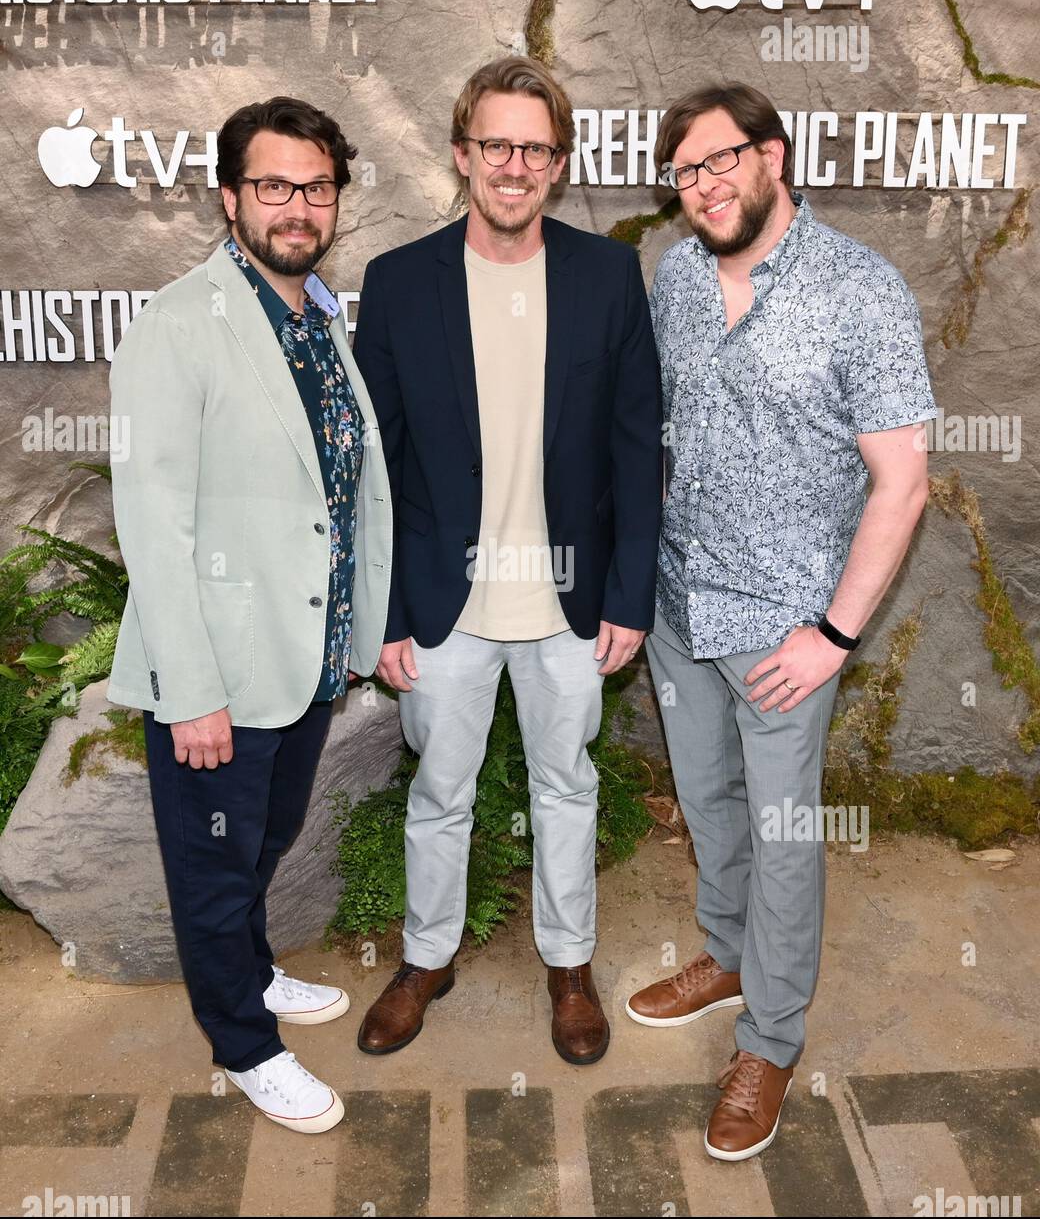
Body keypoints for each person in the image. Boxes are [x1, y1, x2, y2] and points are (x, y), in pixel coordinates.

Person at [627, 83, 936, 1159]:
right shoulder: (672, 277)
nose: (701, 187)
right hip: (677, 604)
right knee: (707, 798)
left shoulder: (859, 289)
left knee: (783, 829)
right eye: (683, 174)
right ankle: (723, 951)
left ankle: (769, 1034)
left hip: (786, 628)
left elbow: (900, 483)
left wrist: (833, 636)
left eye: (718, 162)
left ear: (771, 157)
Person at [352, 56, 662, 1064]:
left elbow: (634, 444)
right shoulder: (400, 283)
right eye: (496, 144)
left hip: (571, 606)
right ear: (461, 153)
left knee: (564, 787)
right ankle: (426, 956)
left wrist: (629, 597)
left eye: (533, 147)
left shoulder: (607, 275)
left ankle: (568, 965)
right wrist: (384, 613)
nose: (513, 165)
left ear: (557, 164)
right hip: (442, 602)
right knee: (438, 791)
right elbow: (377, 466)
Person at [107, 97, 391, 1134]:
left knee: (266, 836)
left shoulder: (317, 314)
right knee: (214, 865)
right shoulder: (179, 325)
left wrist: (353, 635)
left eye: (316, 186)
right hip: (219, 670)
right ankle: (242, 1040)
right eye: (273, 185)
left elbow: (337, 493)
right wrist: (190, 690)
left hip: (303, 655)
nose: (297, 205)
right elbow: (151, 521)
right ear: (230, 198)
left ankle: (253, 971)